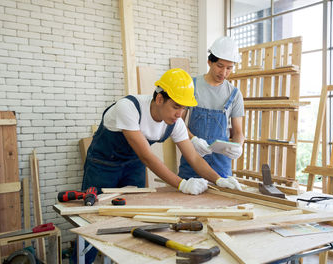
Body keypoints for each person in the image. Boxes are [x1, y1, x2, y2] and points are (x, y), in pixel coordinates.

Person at [81, 68, 242, 196]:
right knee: (95, 212)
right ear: (159, 99)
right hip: (103, 165)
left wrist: (219, 180)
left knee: (133, 211)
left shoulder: (175, 122)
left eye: (184, 108)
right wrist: (182, 184)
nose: (180, 114)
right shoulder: (129, 107)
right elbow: (147, 156)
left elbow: (193, 157)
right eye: (176, 106)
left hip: (134, 165)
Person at [179, 36, 244, 189]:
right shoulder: (192, 86)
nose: (224, 72)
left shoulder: (234, 94)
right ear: (210, 62)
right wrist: (193, 139)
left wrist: (238, 146)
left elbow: (238, 132)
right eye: (220, 66)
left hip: (221, 165)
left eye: (229, 68)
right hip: (192, 160)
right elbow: (177, 122)